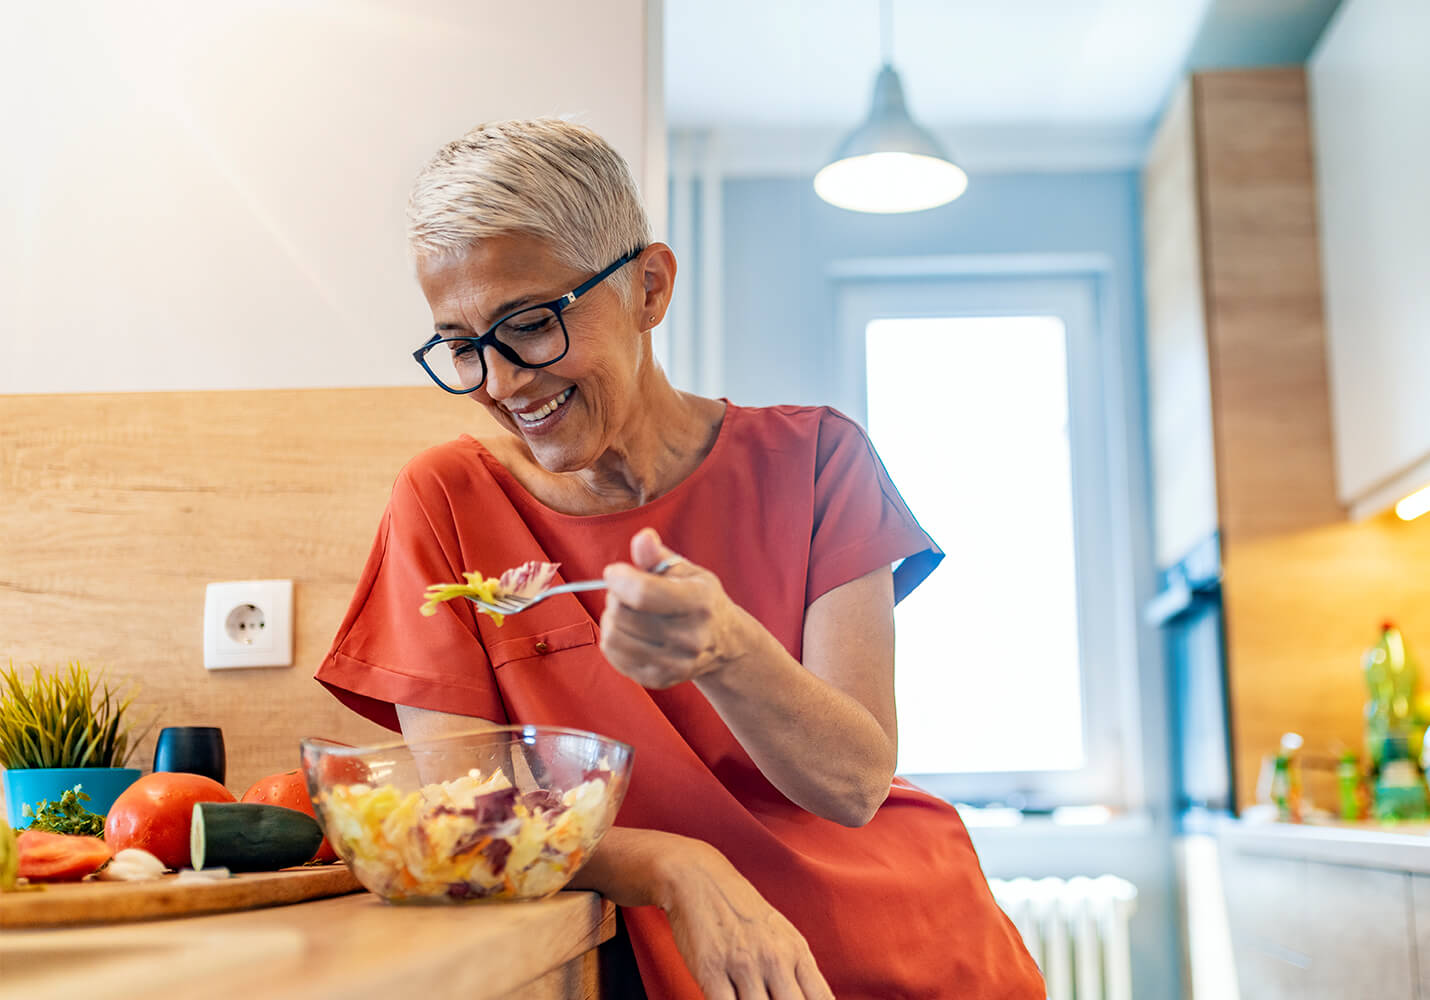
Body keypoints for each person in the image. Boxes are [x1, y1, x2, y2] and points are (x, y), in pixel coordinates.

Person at [316, 118, 1044, 1000]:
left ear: (649, 287)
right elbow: (474, 821)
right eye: (463, 346)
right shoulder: (445, 502)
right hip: (686, 962)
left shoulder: (818, 460)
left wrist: (729, 649)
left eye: (531, 324)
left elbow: (853, 785)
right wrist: (671, 866)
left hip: (920, 946)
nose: (501, 384)